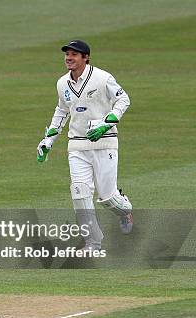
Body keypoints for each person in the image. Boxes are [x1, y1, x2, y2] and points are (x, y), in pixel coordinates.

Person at [36, 40, 133, 251]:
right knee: (79, 193)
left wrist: (106, 124)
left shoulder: (102, 78)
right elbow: (62, 111)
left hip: (104, 143)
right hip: (77, 145)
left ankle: (125, 212)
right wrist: (48, 141)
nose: (69, 58)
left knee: (109, 199)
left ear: (86, 57)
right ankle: (93, 241)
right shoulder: (62, 83)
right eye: (67, 54)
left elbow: (123, 100)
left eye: (74, 54)